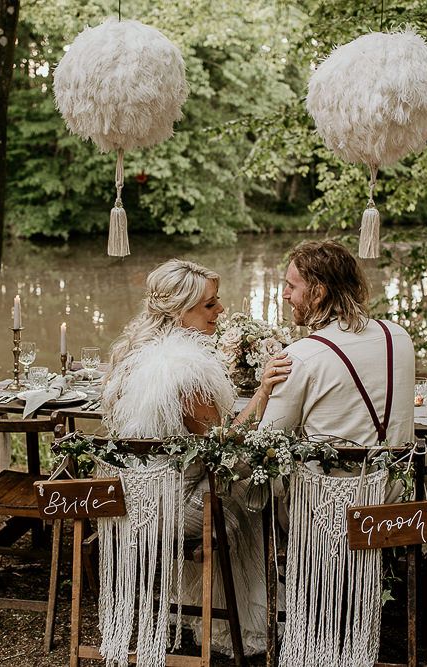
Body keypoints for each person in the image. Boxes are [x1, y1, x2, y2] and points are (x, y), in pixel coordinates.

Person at [101, 258, 290, 657]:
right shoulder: (183, 370)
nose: (221, 311)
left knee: (224, 479)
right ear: (179, 312)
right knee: (257, 486)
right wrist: (263, 391)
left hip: (128, 498)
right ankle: (235, 622)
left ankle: (188, 610)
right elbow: (226, 444)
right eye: (210, 304)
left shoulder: (133, 356)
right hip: (168, 508)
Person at [258, 239, 415, 445]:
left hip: (331, 477)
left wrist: (262, 391)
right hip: (398, 474)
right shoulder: (399, 336)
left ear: (318, 294)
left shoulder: (300, 357)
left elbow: (266, 442)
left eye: (291, 286)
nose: (285, 294)